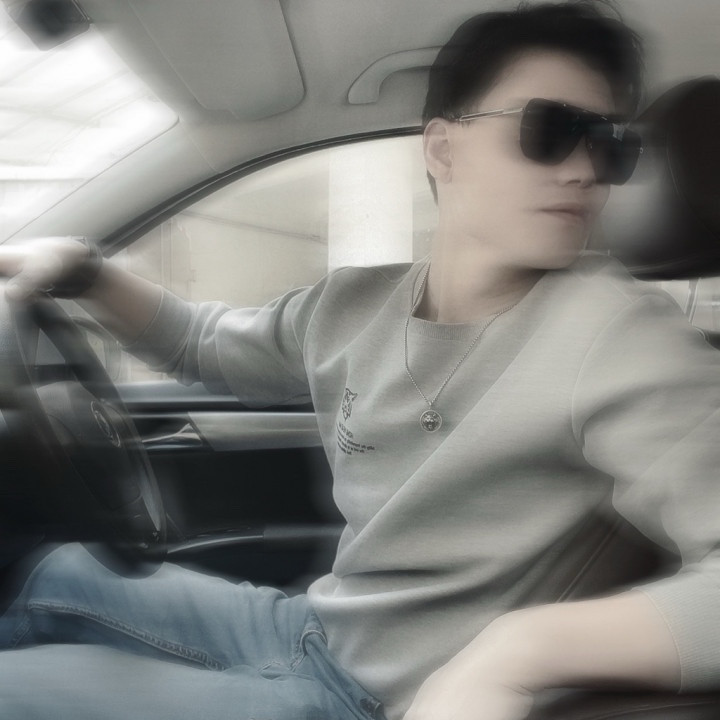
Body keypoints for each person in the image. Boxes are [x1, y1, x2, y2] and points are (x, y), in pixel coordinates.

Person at [1, 2, 720, 719]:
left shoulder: (623, 336)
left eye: (609, 146)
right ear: (442, 149)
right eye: (551, 131)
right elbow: (201, 342)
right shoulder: (353, 304)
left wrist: (519, 654)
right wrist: (80, 268)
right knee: (54, 572)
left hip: (386, 701)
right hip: (316, 631)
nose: (585, 171)